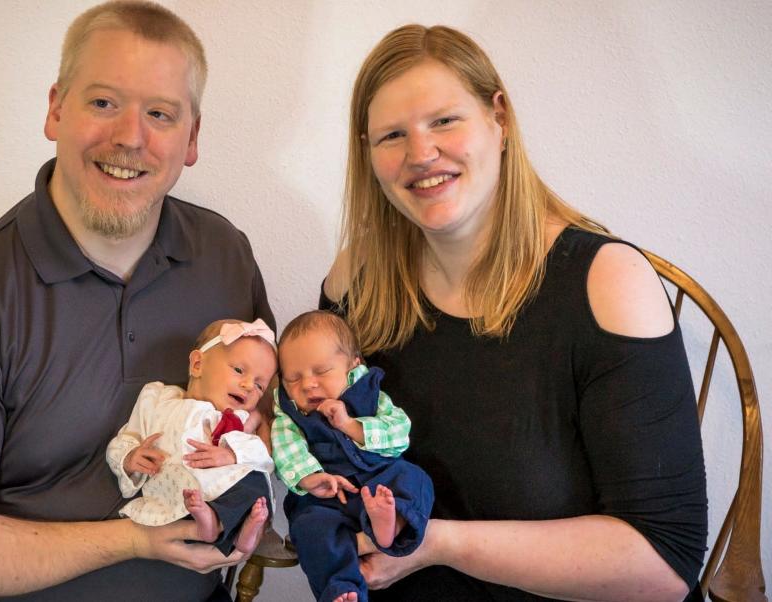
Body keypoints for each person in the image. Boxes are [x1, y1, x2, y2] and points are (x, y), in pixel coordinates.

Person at [0, 2, 274, 600]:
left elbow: (264, 414)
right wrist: (136, 540)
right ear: (56, 109)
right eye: (103, 103)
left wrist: (252, 475)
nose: (129, 138)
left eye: (161, 114)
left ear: (191, 138)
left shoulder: (225, 254)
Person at [321, 24, 708, 602]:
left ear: (499, 119)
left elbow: (663, 565)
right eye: (392, 135)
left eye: (444, 121)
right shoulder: (360, 277)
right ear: (367, 154)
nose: (421, 154)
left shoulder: (607, 281)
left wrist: (437, 543)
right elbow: (328, 445)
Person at [272, 310, 434, 602]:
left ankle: (392, 522)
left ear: (352, 367)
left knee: (416, 479)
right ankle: (342, 589)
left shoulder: (370, 396)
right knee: (309, 528)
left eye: (321, 372)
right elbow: (285, 448)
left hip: (380, 481)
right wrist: (310, 478)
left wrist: (350, 425)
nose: (308, 384)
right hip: (326, 497)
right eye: (294, 378)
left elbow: (399, 434)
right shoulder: (289, 414)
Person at [106, 319, 277, 556]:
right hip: (174, 488)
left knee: (256, 483)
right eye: (238, 370)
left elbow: (261, 453)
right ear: (197, 364)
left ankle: (241, 533)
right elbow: (125, 438)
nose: (249, 386)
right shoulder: (157, 399)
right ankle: (207, 522)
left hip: (220, 489)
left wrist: (231, 454)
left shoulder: (238, 419)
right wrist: (129, 457)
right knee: (206, 496)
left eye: (260, 386)